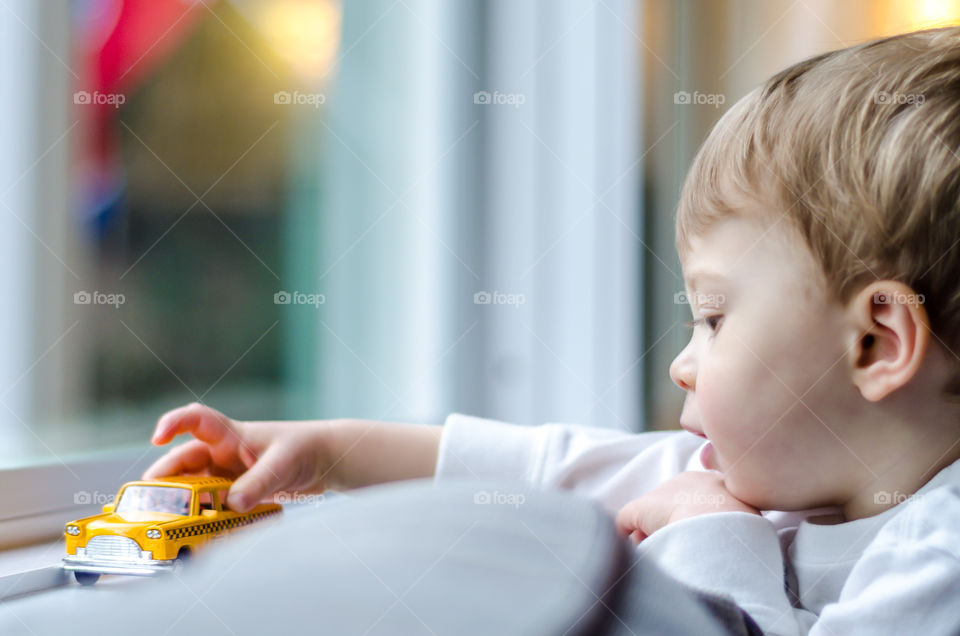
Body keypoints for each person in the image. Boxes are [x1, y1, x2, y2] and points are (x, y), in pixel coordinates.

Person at [144, 26, 960, 635]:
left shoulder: (938, 557)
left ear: (875, 344)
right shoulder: (778, 480)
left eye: (713, 317)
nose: (682, 364)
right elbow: (539, 466)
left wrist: (719, 545)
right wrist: (332, 455)